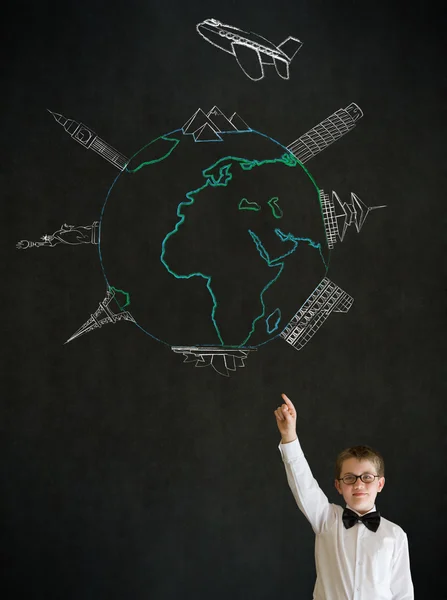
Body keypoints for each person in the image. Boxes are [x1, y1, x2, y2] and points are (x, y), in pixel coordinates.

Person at [274, 393, 413, 600]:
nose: (358, 484)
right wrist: (289, 437)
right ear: (338, 486)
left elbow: (403, 595)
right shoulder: (326, 520)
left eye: (367, 477)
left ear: (380, 483)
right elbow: (304, 485)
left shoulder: (395, 535)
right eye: (349, 478)